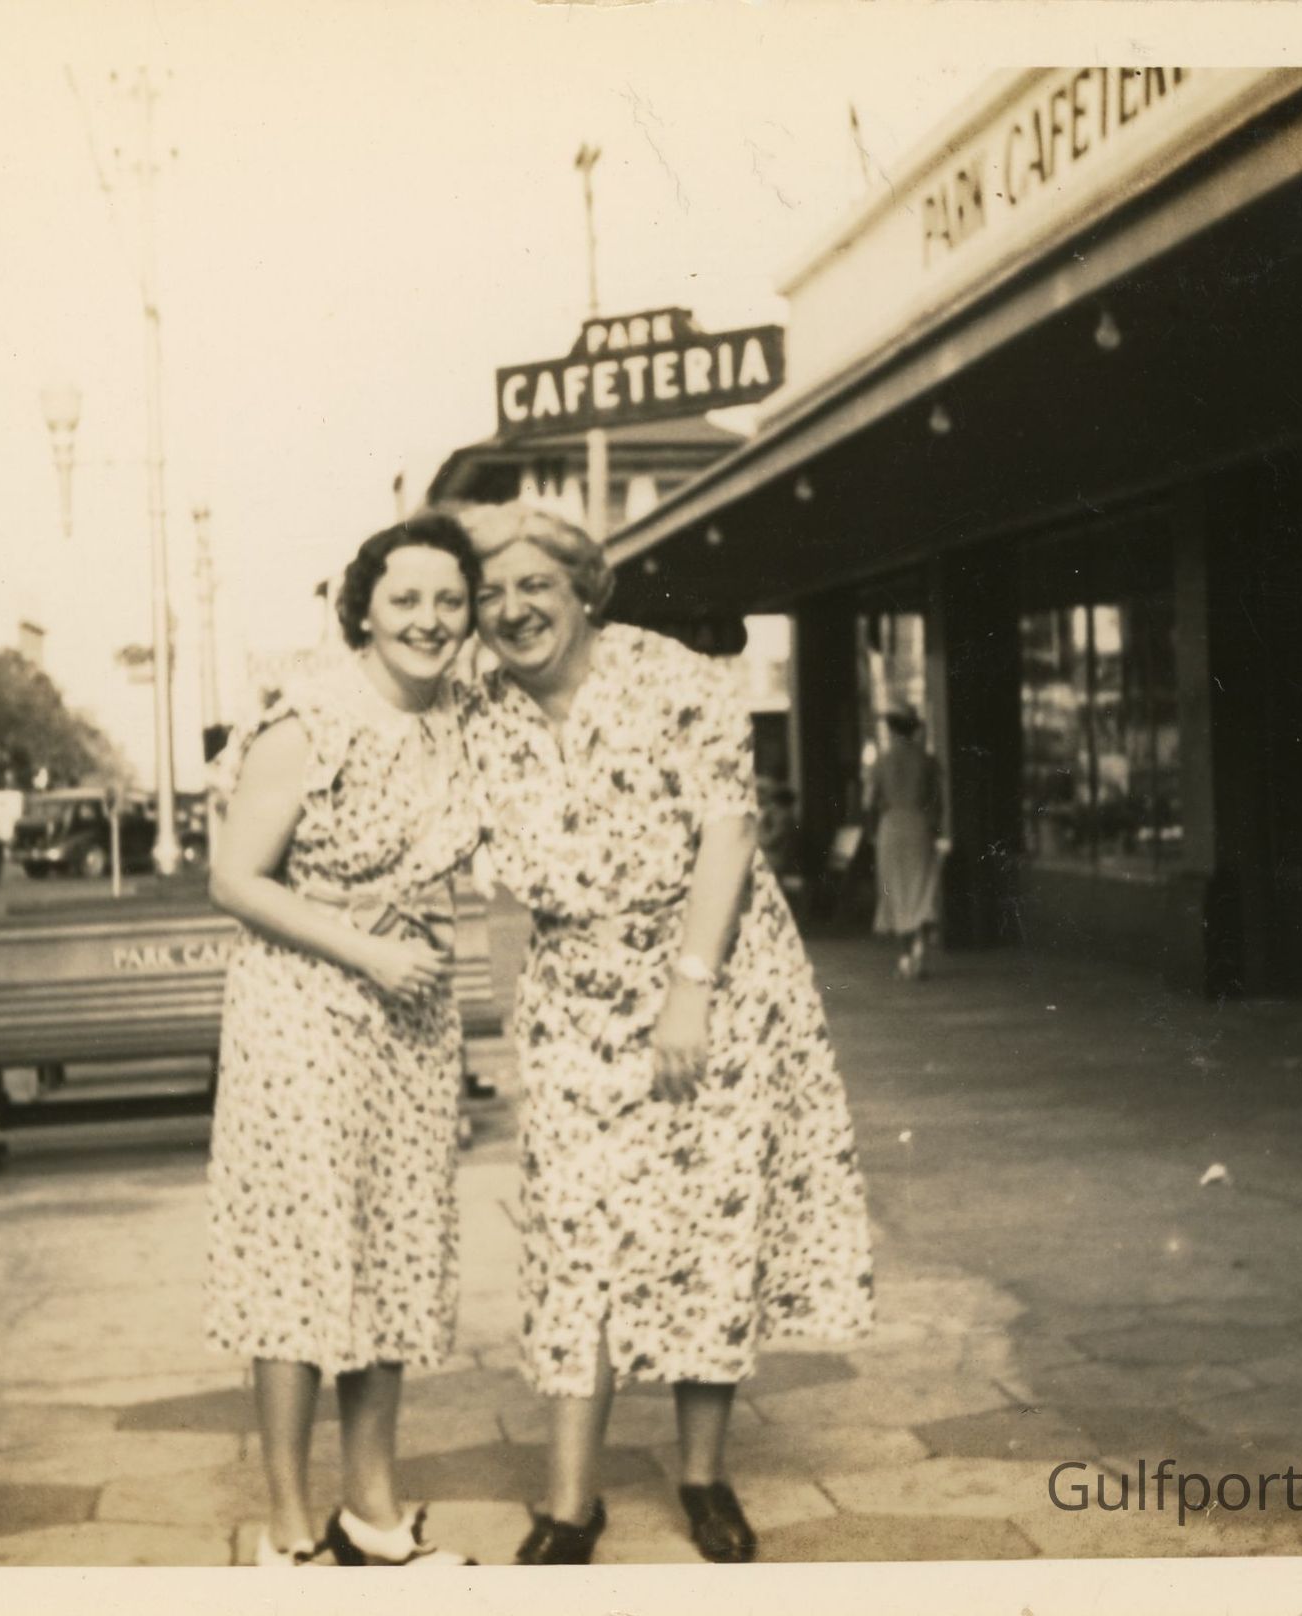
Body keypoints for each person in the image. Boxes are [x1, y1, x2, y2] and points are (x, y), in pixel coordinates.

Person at [455, 502, 875, 1566]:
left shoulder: (674, 678)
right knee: (572, 1231)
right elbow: (492, 881)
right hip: (572, 988)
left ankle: (702, 1475)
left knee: (705, 1219)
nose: (513, 610)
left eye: (535, 586)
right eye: (490, 593)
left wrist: (690, 989)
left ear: (582, 590)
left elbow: (729, 832)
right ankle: (569, 1503)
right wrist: (511, 1019)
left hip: (713, 966)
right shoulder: (475, 711)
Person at [204, 513, 483, 1568]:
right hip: (304, 1010)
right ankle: (286, 1533)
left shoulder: (458, 715)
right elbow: (235, 878)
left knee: (394, 1252)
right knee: (301, 1256)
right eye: (405, 599)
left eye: (448, 600)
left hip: (409, 1018)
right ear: (362, 610)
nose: (428, 619)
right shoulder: (311, 717)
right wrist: (366, 953)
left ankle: (372, 1511)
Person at [865, 705, 943, 979]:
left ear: (891, 729)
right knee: (921, 887)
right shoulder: (927, 761)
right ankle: (919, 947)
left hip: (891, 828)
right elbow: (937, 801)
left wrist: (873, 831)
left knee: (895, 889)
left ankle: (904, 956)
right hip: (919, 826)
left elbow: (869, 803)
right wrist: (935, 827)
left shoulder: (881, 762)